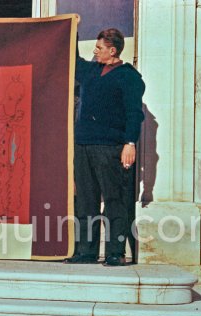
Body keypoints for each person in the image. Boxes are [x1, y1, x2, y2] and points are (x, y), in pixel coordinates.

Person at [64, 28, 145, 266]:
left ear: (113, 50)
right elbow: (72, 59)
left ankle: (115, 251)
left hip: (111, 146)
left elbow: (134, 114)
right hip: (84, 144)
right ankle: (86, 251)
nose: (95, 51)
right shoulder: (91, 70)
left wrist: (130, 143)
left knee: (114, 200)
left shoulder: (129, 77)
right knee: (86, 200)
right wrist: (72, 31)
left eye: (99, 48)